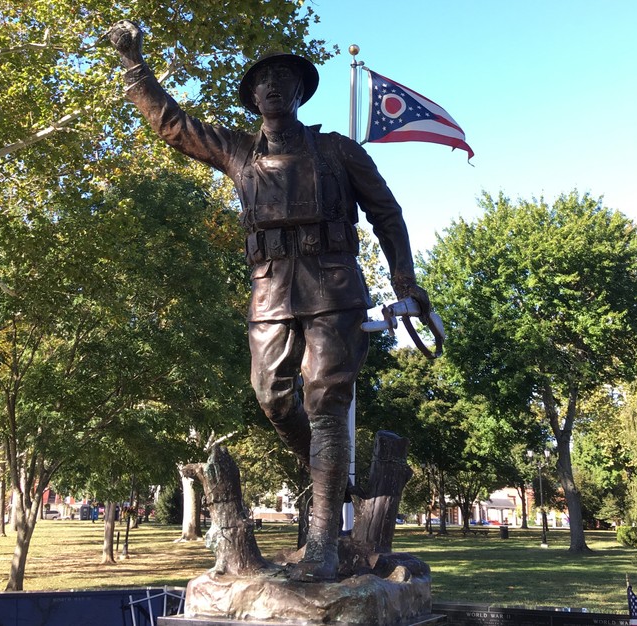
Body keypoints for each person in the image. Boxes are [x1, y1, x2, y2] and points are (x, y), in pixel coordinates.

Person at [109, 21, 430, 582]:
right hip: (271, 292)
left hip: (334, 289)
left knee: (328, 405)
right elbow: (174, 126)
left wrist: (404, 277)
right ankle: (330, 469)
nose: (274, 86)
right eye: (263, 81)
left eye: (284, 78)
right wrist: (136, 67)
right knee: (273, 399)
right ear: (253, 97)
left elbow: (388, 212)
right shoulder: (238, 152)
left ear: (301, 92)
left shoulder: (338, 151)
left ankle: (324, 540)